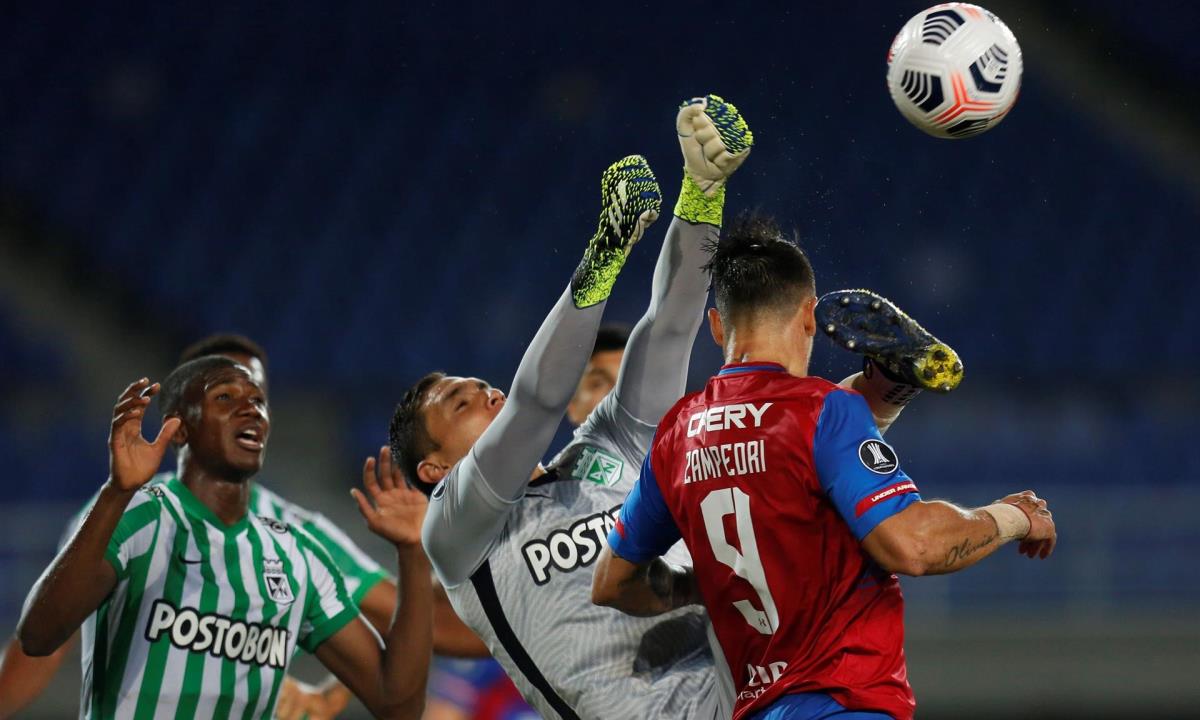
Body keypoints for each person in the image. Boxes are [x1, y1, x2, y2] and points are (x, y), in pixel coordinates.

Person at [591, 216, 1057, 720]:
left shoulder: (676, 433)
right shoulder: (824, 412)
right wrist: (1014, 516)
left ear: (717, 325)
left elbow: (612, 583)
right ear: (811, 316)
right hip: (845, 703)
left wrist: (696, 584)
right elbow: (913, 545)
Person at [16, 357, 434, 718]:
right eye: (225, 399)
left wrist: (413, 552)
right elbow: (38, 637)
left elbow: (397, 705)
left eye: (257, 401)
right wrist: (116, 493)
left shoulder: (298, 555)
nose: (250, 410)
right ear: (178, 430)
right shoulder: (142, 516)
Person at [422, 328, 632, 720]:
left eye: (629, 383)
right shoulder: (506, 548)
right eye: (600, 383)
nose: (616, 398)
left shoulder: (697, 485)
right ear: (570, 403)